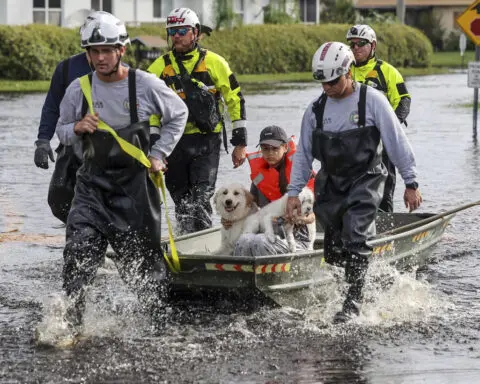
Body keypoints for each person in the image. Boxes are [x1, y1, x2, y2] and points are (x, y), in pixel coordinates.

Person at [55, 11, 188, 335]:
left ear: (121, 50)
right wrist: (76, 126)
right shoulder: (78, 89)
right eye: (94, 52)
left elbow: (178, 114)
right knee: (78, 255)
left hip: (135, 189)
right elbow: (61, 131)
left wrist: (158, 154)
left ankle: (162, 331)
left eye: (107, 51)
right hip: (91, 186)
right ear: (87, 53)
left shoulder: (144, 85)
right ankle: (71, 328)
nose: (100, 58)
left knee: (144, 270)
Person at [286, 42, 422, 323]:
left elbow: (396, 142)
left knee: (356, 235)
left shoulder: (372, 100)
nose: (327, 87)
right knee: (335, 250)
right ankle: (354, 288)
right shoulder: (315, 110)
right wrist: (293, 192)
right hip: (332, 183)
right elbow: (303, 155)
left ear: (348, 72)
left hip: (367, 179)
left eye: (333, 81)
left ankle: (353, 304)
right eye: (322, 82)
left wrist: (411, 182)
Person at [148, 7, 247, 235]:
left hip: (207, 142)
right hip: (173, 143)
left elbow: (235, 99)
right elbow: (147, 107)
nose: (177, 36)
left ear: (195, 32)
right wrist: (155, 146)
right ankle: (186, 244)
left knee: (201, 197)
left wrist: (240, 144)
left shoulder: (215, 62)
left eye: (182, 30)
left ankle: (202, 242)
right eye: (172, 31)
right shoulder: (159, 68)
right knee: (182, 202)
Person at [34, 11, 104, 223]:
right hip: (71, 143)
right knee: (59, 198)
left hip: (107, 147)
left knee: (102, 197)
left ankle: (95, 234)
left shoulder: (124, 73)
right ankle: (80, 230)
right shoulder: (65, 68)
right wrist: (43, 141)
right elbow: (51, 107)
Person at [347, 24, 412, 213]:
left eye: (361, 43)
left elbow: (404, 101)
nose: (356, 48)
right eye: (352, 44)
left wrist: (390, 127)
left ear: (373, 46)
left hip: (381, 140)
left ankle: (386, 227)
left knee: (384, 186)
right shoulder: (344, 71)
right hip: (351, 141)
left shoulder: (388, 71)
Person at [233, 126, 316, 256]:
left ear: (285, 148)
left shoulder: (302, 174)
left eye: (275, 148)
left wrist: (301, 219)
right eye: (265, 149)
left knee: (260, 241)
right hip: (270, 232)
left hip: (298, 239)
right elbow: (251, 209)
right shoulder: (259, 177)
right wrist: (231, 219)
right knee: (243, 240)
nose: (270, 153)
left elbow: (313, 216)